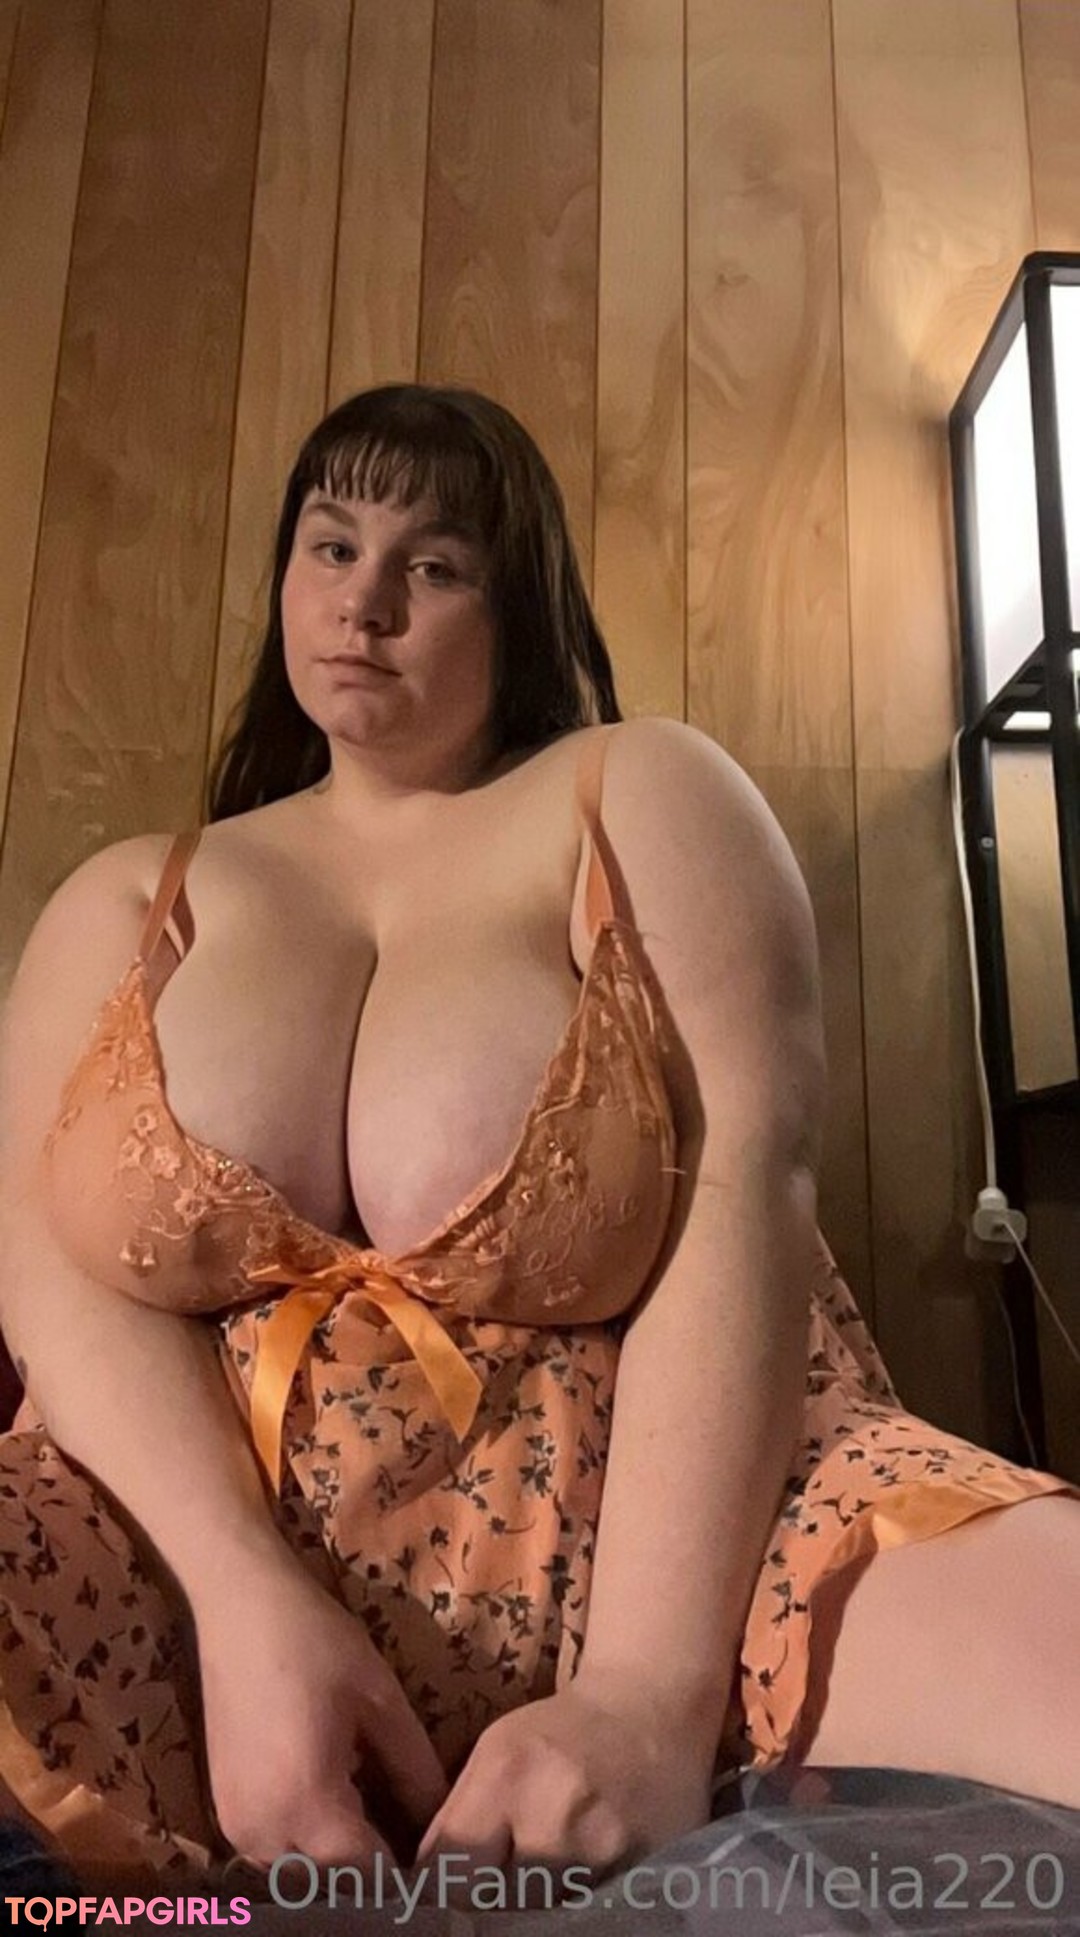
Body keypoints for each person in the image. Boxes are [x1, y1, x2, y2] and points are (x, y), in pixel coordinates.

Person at [0, 384, 1077, 1889]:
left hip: (677, 1520)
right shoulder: (134, 894)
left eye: (434, 565)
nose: (366, 600)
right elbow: (49, 1271)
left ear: (518, 607)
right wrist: (244, 1603)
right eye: (332, 546)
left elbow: (745, 1199)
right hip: (179, 1550)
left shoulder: (639, 793)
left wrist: (645, 1693)